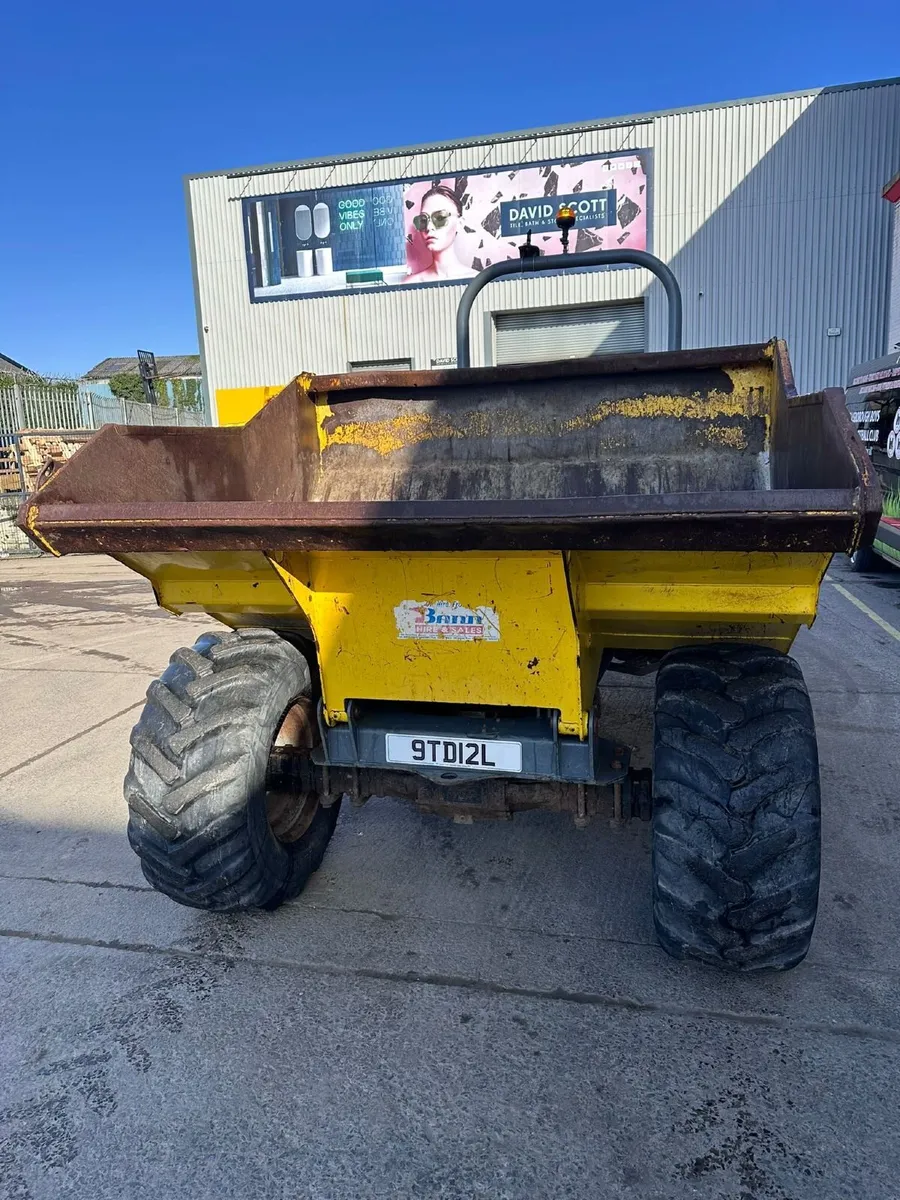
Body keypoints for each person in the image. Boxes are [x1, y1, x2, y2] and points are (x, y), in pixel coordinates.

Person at [405, 185, 477, 284]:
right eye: (423, 220)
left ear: (459, 224)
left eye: (440, 218)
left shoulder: (477, 280)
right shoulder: (411, 284)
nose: (429, 227)